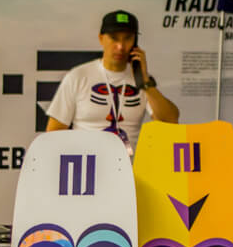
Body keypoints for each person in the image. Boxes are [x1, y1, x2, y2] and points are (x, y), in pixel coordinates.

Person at [45, 10, 179, 152]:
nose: (120, 46)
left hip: (129, 164)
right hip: (87, 163)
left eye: (127, 38)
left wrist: (145, 82)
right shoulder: (78, 76)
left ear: (135, 42)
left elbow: (171, 121)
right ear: (101, 38)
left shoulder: (142, 81)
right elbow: (54, 133)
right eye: (114, 38)